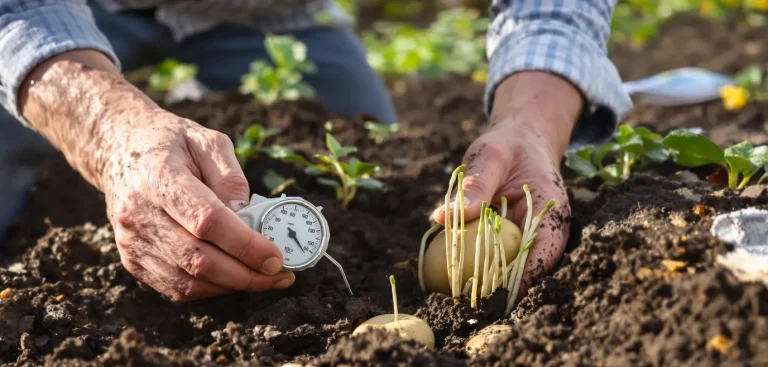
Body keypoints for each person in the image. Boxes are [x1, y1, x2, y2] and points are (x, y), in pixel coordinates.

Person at [0, 0, 631, 301]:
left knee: (365, 127)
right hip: (67, 14)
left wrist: (532, 124)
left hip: (271, 16)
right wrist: (110, 135)